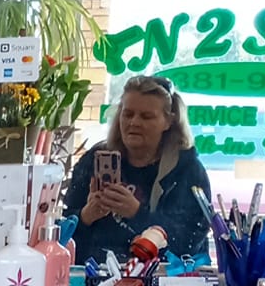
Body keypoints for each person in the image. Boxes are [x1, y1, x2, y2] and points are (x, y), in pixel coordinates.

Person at [62, 75, 211, 265]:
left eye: (146, 116)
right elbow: (62, 231)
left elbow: (189, 241)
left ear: (169, 121)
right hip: (94, 273)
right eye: (128, 114)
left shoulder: (186, 170)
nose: (134, 122)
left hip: (159, 276)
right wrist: (86, 216)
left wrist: (137, 213)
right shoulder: (94, 160)